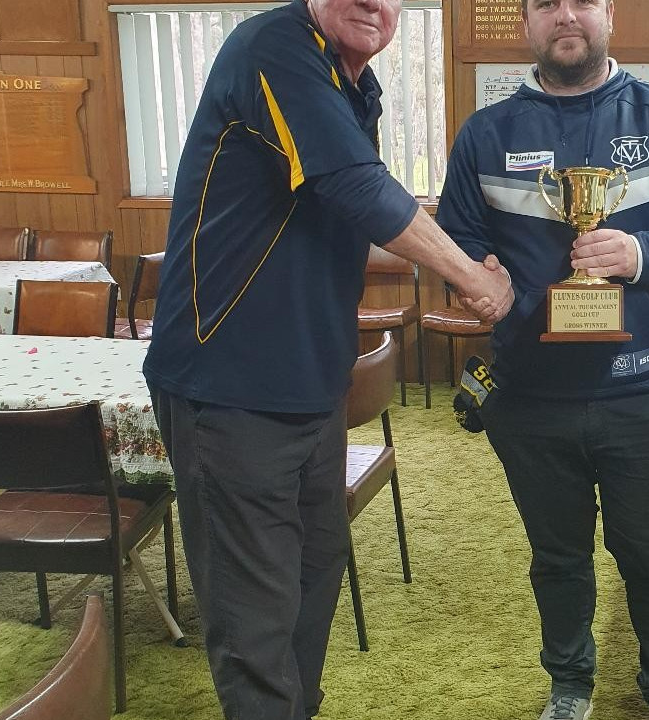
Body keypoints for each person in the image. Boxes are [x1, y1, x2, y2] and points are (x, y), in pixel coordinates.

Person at [142, 1, 513, 719]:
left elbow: (345, 215)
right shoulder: (274, 49)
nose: (373, 1)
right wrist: (471, 276)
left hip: (310, 385)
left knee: (314, 578)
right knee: (256, 620)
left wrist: (473, 255)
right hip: (229, 388)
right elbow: (357, 186)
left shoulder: (348, 82)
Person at [437, 1, 649, 718]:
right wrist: (478, 271)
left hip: (643, 391)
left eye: (582, 0)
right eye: (546, 3)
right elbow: (455, 237)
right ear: (526, 24)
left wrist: (642, 253)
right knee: (558, 560)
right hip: (528, 396)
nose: (565, 15)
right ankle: (570, 685)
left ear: (607, 14)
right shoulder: (486, 134)